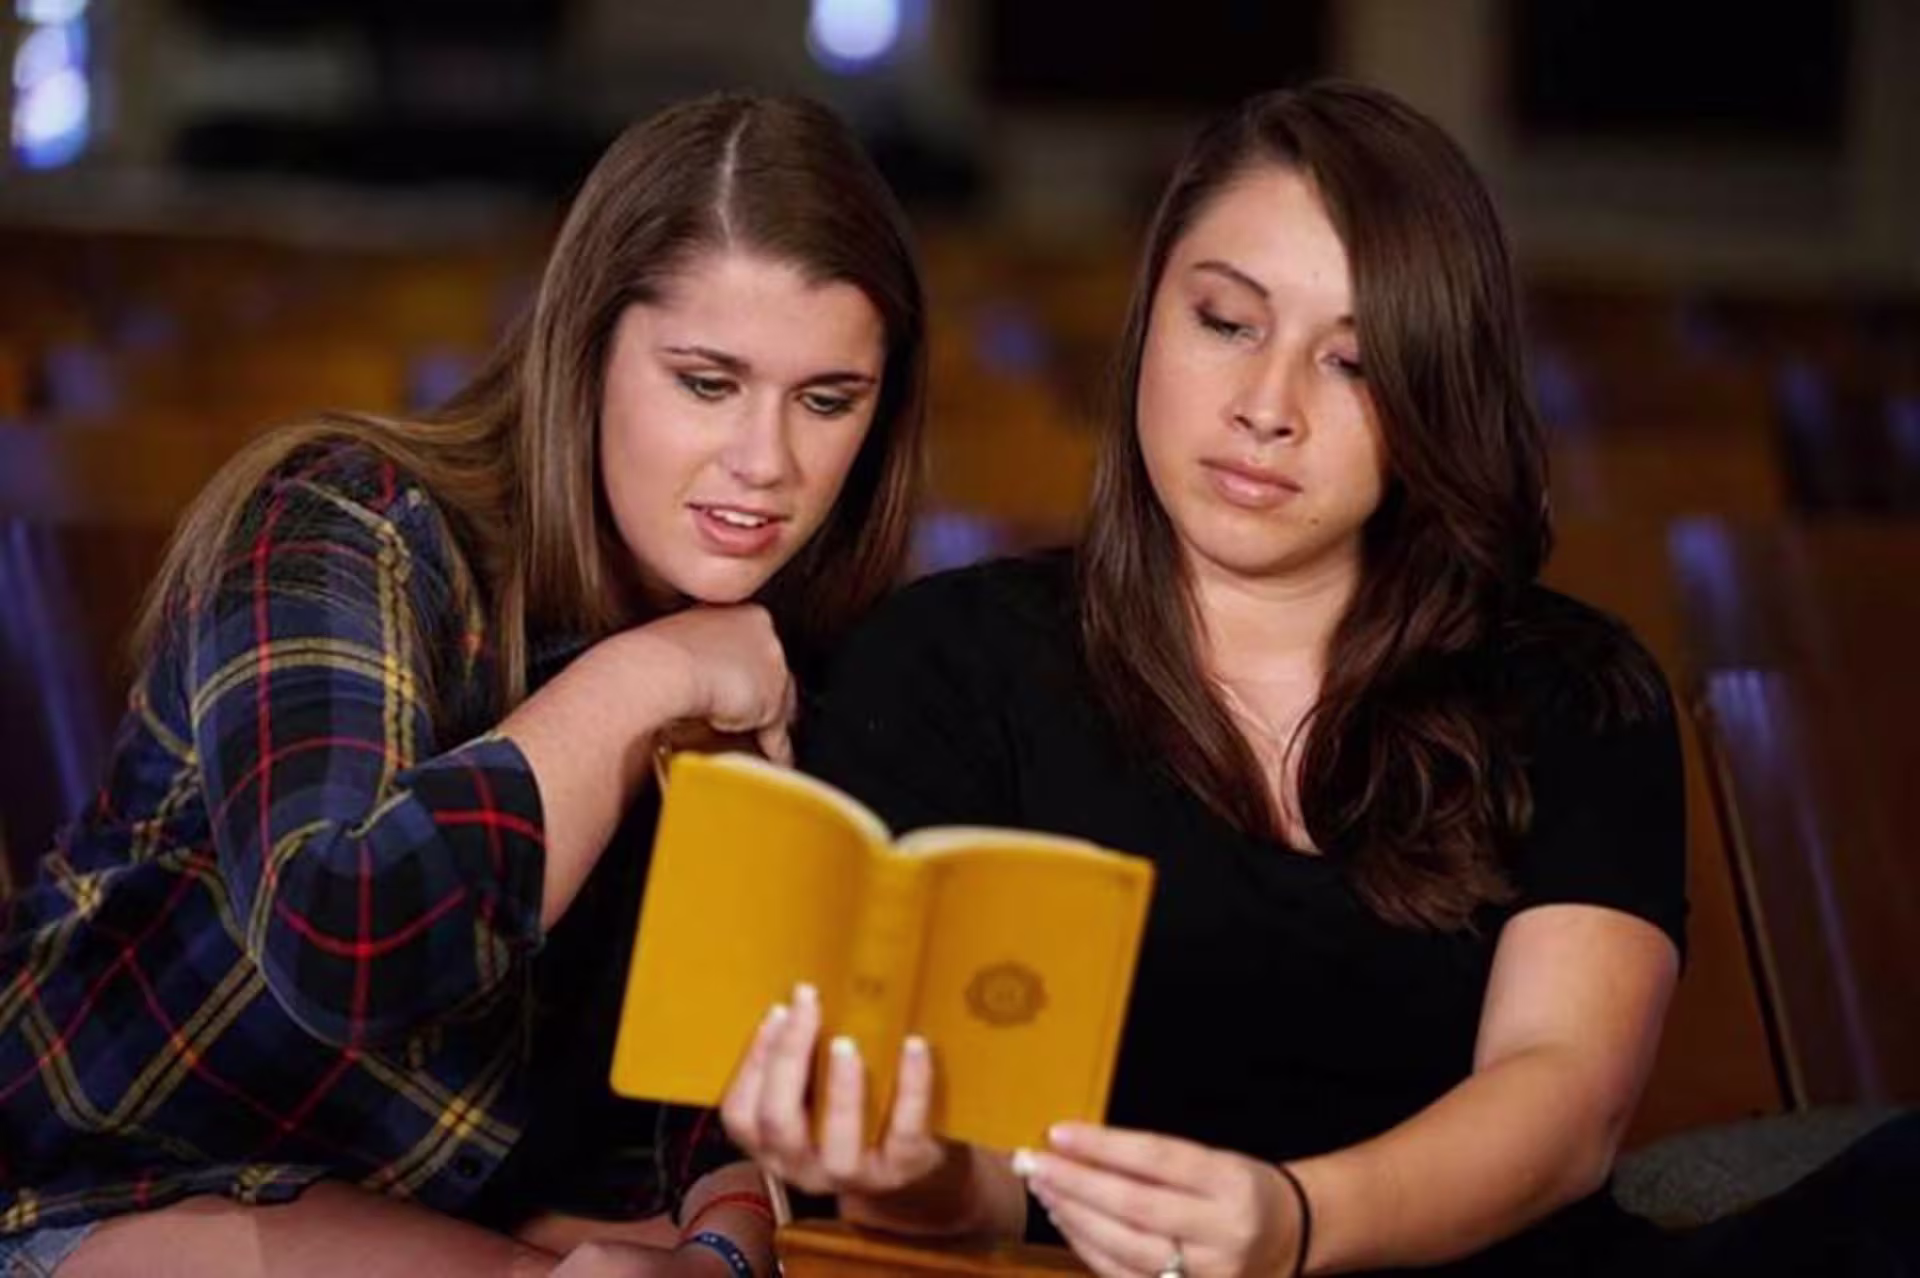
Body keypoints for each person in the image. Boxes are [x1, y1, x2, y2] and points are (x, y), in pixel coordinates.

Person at [719, 81, 1920, 1276]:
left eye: (1351, 363)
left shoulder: (1571, 685)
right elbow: (960, 1183)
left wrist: (1294, 1222)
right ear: (1151, 317)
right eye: (1228, 323)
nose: (1266, 409)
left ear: (1432, 397)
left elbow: (1564, 1101)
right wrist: (903, 1169)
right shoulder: (946, 657)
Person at [0, 92, 926, 1278]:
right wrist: (647, 672)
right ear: (585, 352)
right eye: (706, 383)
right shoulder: (344, 524)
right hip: (98, 1189)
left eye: (826, 400)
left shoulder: (801, 653)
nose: (766, 463)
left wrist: (724, 1243)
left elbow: (717, 1087)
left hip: (454, 1221)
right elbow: (350, 938)